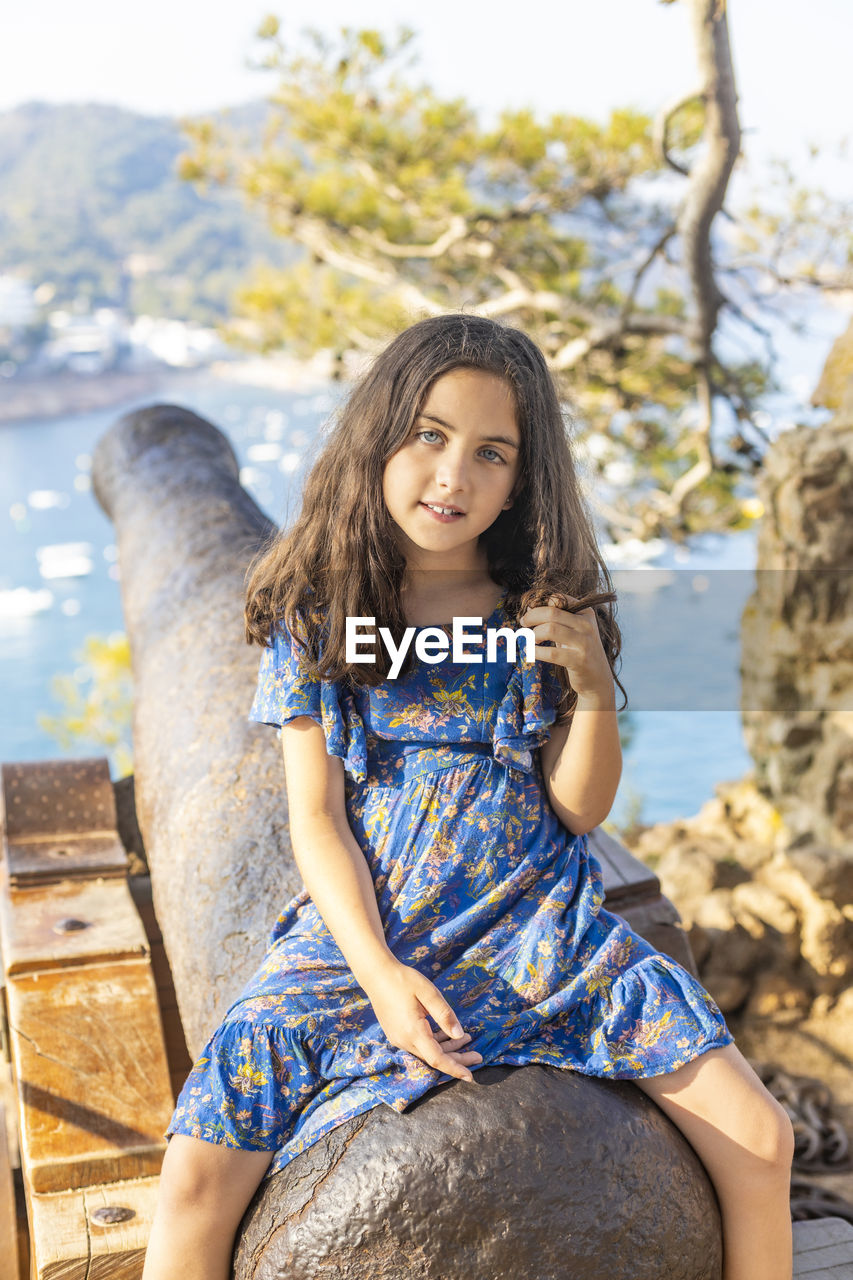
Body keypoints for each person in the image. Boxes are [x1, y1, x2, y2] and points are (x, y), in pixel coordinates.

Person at [142, 314, 794, 1280]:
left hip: (541, 933)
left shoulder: (538, 608)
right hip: (369, 934)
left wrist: (587, 691)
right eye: (429, 436)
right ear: (378, 439)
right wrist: (376, 974)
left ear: (520, 481)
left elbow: (578, 809)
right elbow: (315, 820)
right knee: (194, 1174)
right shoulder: (321, 617)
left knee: (761, 1137)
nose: (453, 476)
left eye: (490, 454)